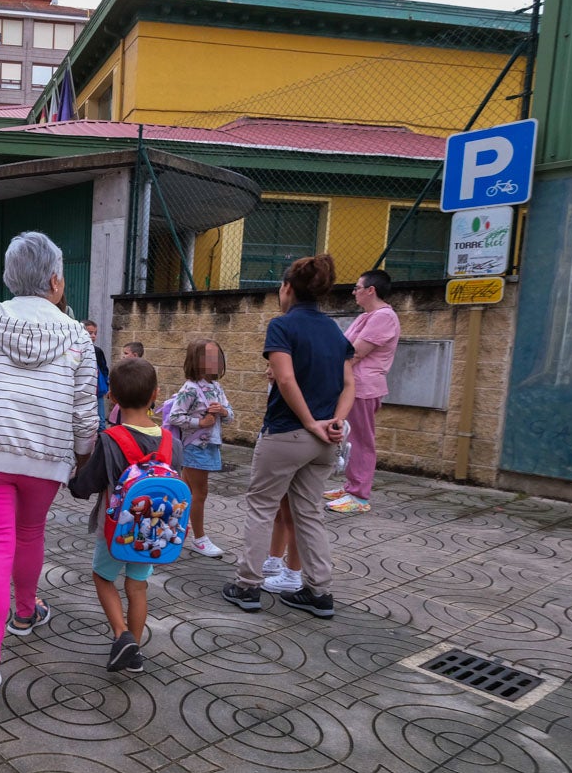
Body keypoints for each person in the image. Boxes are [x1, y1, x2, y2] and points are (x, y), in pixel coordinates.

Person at [0, 231, 99, 700]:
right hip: (46, 454)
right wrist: (81, 458)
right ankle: (26, 612)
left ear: (8, 277)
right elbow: (84, 412)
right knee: (31, 533)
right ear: (55, 280)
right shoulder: (77, 333)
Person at [223, 254, 354, 619]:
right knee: (310, 514)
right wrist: (335, 423)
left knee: (262, 507)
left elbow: (284, 378)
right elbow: (349, 384)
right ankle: (319, 592)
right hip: (326, 439)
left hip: (286, 433)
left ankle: (247, 586)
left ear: (287, 288)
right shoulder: (335, 331)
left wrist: (310, 422)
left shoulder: (282, 326)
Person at [69, 357, 179, 673]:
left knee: (103, 576)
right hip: (154, 530)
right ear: (155, 393)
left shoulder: (110, 439)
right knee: (137, 585)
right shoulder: (171, 440)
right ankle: (136, 653)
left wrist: (73, 479)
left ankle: (122, 636)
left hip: (116, 527)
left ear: (112, 397)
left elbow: (86, 484)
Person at [326, 269, 400, 513]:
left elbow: (356, 353)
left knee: (360, 440)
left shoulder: (384, 317)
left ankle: (359, 496)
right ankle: (351, 487)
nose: (354, 292)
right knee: (349, 438)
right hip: (351, 386)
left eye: (358, 288)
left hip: (364, 388)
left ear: (371, 290)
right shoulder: (366, 316)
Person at [166, 339, 235, 558]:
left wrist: (223, 412)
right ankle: (200, 538)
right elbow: (175, 416)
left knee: (186, 493)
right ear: (196, 360)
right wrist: (200, 423)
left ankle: (173, 528)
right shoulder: (190, 388)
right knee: (200, 493)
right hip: (195, 447)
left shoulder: (216, 387)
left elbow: (230, 415)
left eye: (217, 355)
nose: (215, 361)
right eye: (208, 356)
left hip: (209, 446)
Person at [85, 320, 110, 427]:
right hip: (83, 390)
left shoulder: (98, 351)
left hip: (97, 390)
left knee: (100, 420)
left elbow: (104, 369)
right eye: (90, 333)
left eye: (95, 333)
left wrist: (106, 385)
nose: (93, 336)